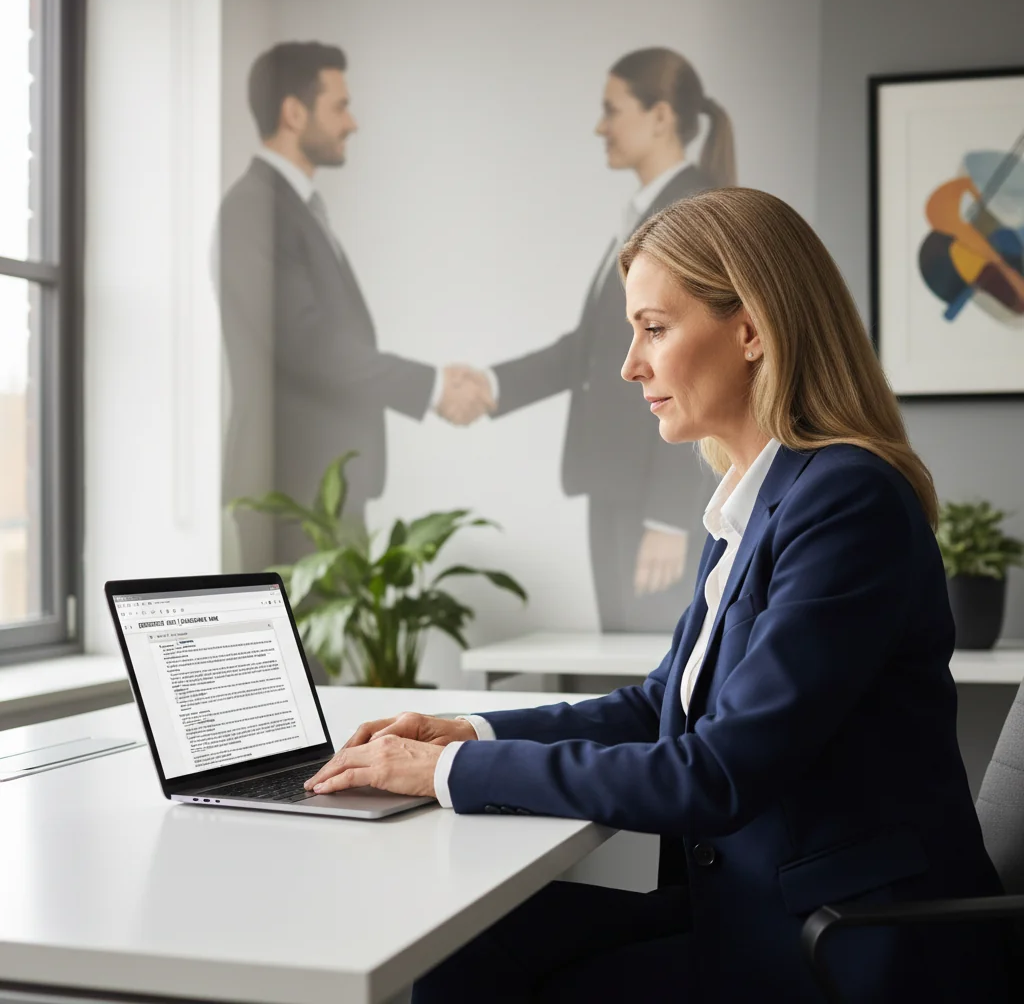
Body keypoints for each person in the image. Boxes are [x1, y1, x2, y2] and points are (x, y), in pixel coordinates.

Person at [302, 187, 1012, 1002]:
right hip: (753, 904)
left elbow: (713, 773)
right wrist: (465, 728)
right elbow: (659, 707)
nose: (629, 364)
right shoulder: (756, 497)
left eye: (654, 327)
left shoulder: (849, 501)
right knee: (450, 958)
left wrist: (448, 772)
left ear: (750, 329)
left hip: (843, 946)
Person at [477, 47, 737, 632]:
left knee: (651, 668)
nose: (600, 126)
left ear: (661, 117)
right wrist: (492, 386)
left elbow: (701, 364)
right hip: (621, 484)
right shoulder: (650, 212)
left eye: (611, 109)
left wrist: (670, 518)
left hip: (652, 493)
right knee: (627, 661)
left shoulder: (688, 214)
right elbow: (592, 348)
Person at [216, 41, 493, 563]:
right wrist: (432, 386)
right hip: (292, 492)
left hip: (320, 487)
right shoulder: (254, 208)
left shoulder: (294, 207)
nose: (352, 123)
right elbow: (307, 343)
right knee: (300, 647)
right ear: (294, 113)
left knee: (324, 649)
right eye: (339, 106)